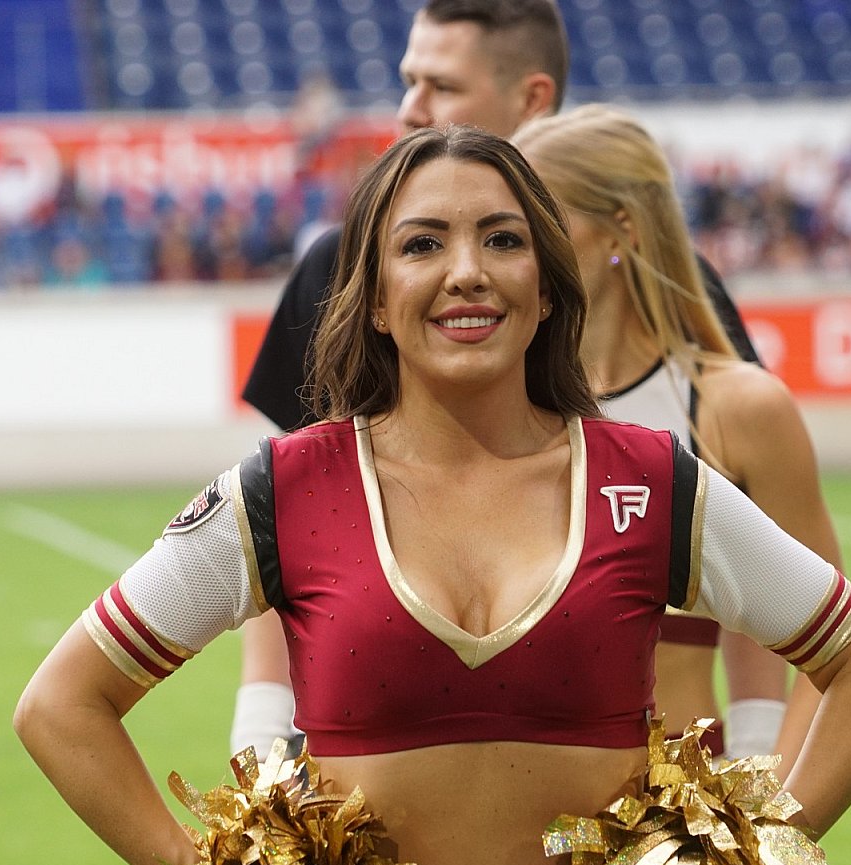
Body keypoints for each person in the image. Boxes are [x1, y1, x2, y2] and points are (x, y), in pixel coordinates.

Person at [15, 125, 851, 865]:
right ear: (373, 297)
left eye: (502, 239)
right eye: (422, 244)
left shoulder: (651, 479)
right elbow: (61, 704)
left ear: (546, 285)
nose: (467, 273)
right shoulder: (283, 489)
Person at [230, 0, 785, 767]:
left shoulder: (670, 306)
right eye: (420, 248)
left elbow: (786, 604)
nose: (410, 108)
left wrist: (758, 783)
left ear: (532, 99)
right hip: (376, 781)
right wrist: (260, 737)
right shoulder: (342, 266)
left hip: (632, 790)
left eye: (442, 86)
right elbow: (286, 531)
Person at [515, 104, 844, 781]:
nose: (515, 251)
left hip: (673, 816)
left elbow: (834, 650)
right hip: (508, 816)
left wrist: (763, 801)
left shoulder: (738, 409)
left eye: (541, 222)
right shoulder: (488, 403)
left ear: (622, 229)